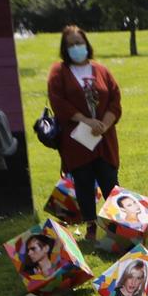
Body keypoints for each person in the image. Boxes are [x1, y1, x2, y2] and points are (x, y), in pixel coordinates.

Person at [46, 24, 122, 250]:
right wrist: (86, 120)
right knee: (84, 181)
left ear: (87, 45)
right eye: (71, 45)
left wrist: (105, 124)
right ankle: (91, 225)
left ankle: (118, 225)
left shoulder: (101, 70)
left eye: (79, 43)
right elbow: (58, 102)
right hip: (77, 139)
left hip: (105, 137)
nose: (76, 48)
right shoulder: (59, 72)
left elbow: (114, 100)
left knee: (110, 179)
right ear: (64, 49)